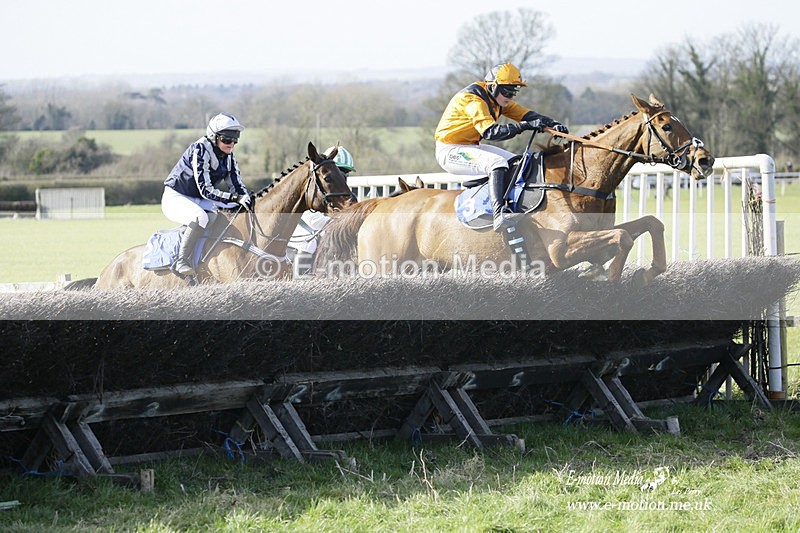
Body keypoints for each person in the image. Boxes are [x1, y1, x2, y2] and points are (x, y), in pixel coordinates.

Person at [434, 62, 569, 231]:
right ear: (492, 86)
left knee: (516, 162)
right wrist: (525, 126)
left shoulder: (495, 97)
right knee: (496, 163)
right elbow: (491, 133)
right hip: (450, 150)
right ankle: (499, 215)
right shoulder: (473, 100)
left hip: (470, 146)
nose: (510, 96)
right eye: (507, 91)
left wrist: (553, 124)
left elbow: (526, 114)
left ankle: (513, 205)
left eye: (513, 91)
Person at [161, 113, 251, 275]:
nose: (232, 144)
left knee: (221, 214)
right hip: (176, 197)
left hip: (198, 199)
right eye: (227, 139)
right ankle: (181, 261)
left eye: (235, 139)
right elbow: (206, 189)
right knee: (200, 217)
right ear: (213, 137)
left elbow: (237, 186)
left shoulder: (229, 157)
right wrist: (235, 198)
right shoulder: (200, 149)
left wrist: (245, 199)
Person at [287, 145, 356, 275]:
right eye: (341, 173)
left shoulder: (345, 193)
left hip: (320, 226)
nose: (342, 178)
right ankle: (300, 281)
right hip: (301, 225)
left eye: (346, 174)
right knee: (309, 243)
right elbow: (312, 219)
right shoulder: (315, 187)